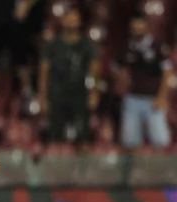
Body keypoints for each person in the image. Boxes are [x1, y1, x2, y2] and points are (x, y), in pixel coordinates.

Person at [38, 8, 99, 148]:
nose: (72, 21)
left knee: (83, 137)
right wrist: (42, 96)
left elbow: (94, 70)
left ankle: (85, 169)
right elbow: (44, 71)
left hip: (80, 95)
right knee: (55, 137)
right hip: (57, 95)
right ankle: (56, 168)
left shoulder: (86, 45)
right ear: (63, 21)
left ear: (80, 22)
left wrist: (94, 91)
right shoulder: (53, 45)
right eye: (69, 18)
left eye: (75, 18)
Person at [113, 13, 172, 149]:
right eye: (135, 25)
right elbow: (115, 68)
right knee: (130, 141)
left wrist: (162, 97)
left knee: (161, 140)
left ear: (146, 26)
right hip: (132, 98)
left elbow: (167, 72)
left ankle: (162, 170)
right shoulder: (126, 47)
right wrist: (123, 82)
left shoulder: (157, 46)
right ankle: (133, 170)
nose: (138, 28)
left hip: (153, 99)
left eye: (140, 24)